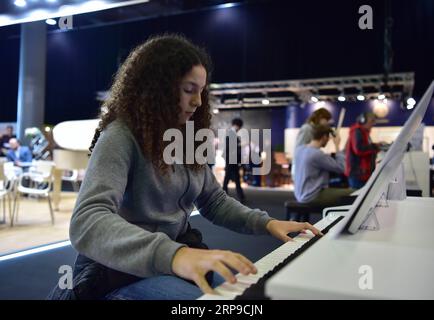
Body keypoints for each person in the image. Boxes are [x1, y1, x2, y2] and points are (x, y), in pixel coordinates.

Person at [48, 34, 322, 300]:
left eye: (201, 91)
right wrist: (175, 255)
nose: (198, 101)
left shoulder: (187, 138)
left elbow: (213, 200)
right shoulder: (121, 136)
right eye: (189, 90)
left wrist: (267, 222)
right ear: (157, 88)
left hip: (171, 260)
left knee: (249, 294)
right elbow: (87, 221)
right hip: (116, 274)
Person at [293, 124, 354, 210]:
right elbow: (342, 167)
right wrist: (337, 145)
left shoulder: (300, 149)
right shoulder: (317, 154)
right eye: (328, 137)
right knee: (354, 193)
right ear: (324, 137)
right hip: (312, 196)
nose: (329, 140)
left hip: (299, 195)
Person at [291, 108, 333, 180]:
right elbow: (299, 149)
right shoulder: (307, 128)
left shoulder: (313, 129)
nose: (327, 123)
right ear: (321, 118)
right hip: (301, 168)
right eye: (327, 120)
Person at [345, 112, 381, 189]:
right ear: (363, 120)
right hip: (358, 175)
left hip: (363, 174)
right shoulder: (357, 131)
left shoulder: (363, 132)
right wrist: (375, 146)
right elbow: (359, 149)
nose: (373, 124)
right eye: (371, 121)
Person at [222, 118, 245, 202]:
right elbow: (230, 147)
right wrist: (239, 145)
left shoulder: (232, 133)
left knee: (230, 178)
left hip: (232, 159)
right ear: (237, 125)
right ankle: (239, 196)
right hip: (231, 159)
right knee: (229, 178)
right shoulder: (231, 133)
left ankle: (240, 196)